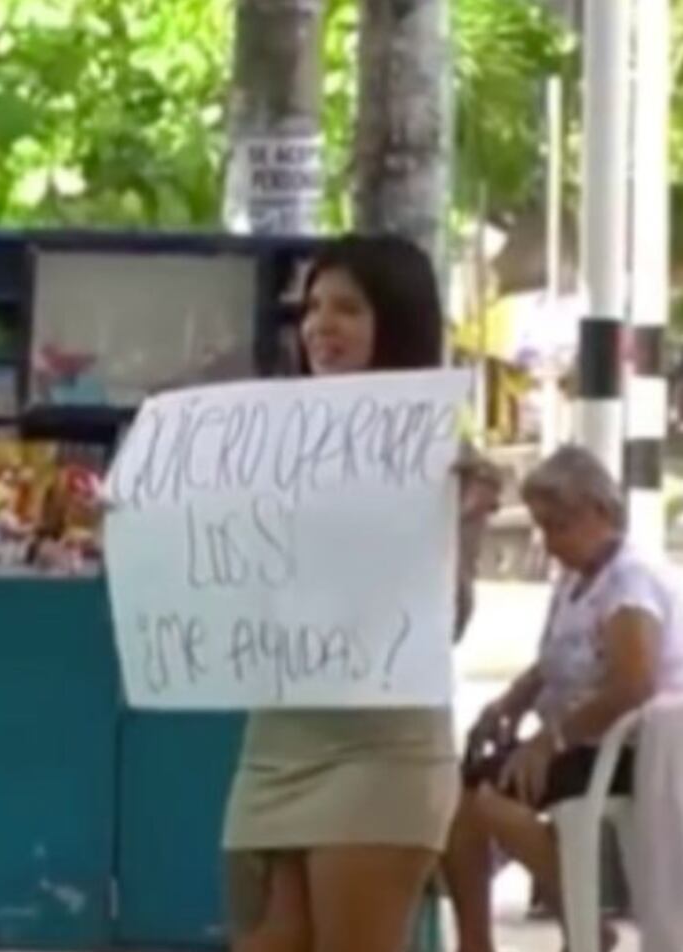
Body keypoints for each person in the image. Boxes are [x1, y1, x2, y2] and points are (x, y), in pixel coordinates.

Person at [223, 234, 501, 952]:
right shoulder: (268, 441)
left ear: (397, 323)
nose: (321, 324)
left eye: (347, 307)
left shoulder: (438, 457)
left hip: (383, 751)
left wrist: (461, 529)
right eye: (314, 306)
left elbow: (448, 623)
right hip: (276, 746)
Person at [443, 445, 683, 952]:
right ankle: (475, 941)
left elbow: (631, 683)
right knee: (458, 799)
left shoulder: (630, 580)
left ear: (598, 512)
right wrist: (508, 703)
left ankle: (582, 918)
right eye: (542, 527)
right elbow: (553, 661)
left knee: (490, 803)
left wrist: (550, 740)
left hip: (624, 749)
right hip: (578, 740)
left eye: (559, 526)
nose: (549, 543)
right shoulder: (577, 577)